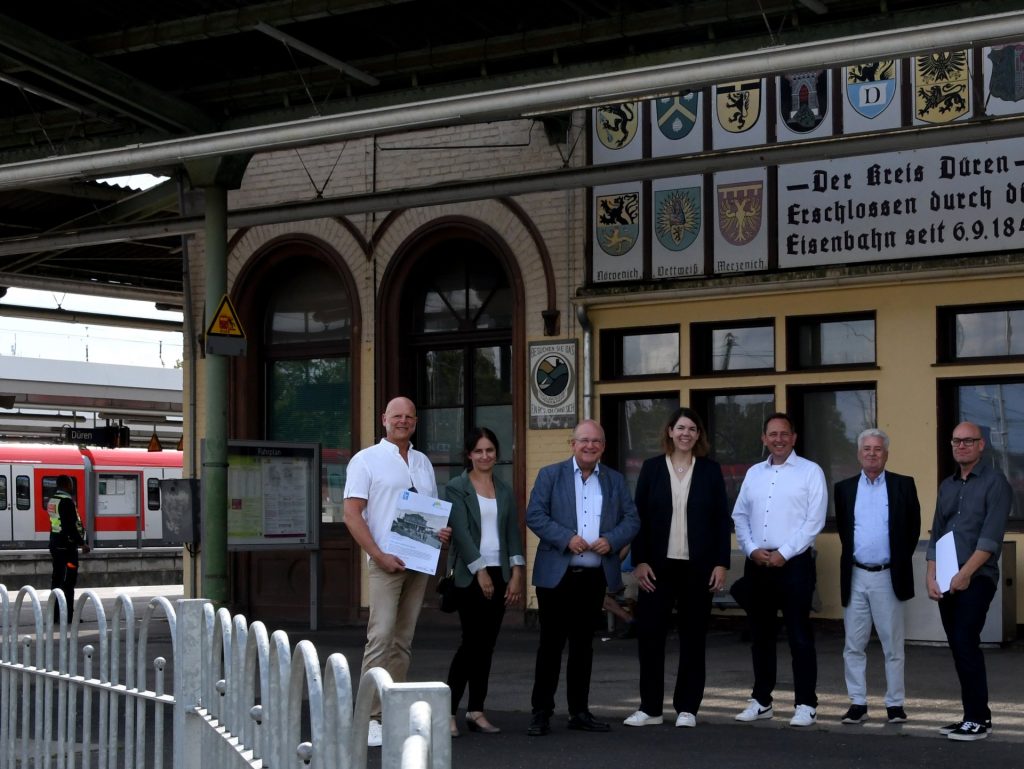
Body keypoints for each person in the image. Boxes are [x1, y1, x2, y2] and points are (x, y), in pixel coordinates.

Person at [343, 396, 451, 747]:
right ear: (384, 420)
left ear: (415, 422)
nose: (403, 421)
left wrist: (441, 533)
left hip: (419, 562)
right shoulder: (366, 460)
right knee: (381, 636)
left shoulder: (422, 462)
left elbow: (427, 512)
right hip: (385, 562)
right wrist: (379, 554)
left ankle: (391, 710)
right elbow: (352, 514)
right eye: (397, 416)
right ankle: (368, 717)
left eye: (409, 416)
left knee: (403, 640)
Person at [526, 419, 640, 737]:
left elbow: (632, 519)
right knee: (550, 647)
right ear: (572, 443)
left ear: (603, 447)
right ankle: (541, 713)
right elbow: (534, 514)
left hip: (593, 577)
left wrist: (612, 540)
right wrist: (566, 538)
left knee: (582, 648)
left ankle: (579, 711)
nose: (590, 446)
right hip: (556, 576)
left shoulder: (615, 481)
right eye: (584, 441)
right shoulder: (551, 475)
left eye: (596, 442)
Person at [622, 407, 730, 729]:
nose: (686, 434)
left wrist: (721, 563)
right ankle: (650, 708)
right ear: (670, 431)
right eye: (681, 428)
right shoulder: (652, 469)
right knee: (650, 636)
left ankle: (687, 708)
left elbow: (721, 521)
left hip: (698, 569)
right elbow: (637, 518)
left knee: (693, 638)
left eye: (692, 429)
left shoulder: (710, 471)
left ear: (698, 436)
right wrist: (639, 561)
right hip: (657, 568)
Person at [731, 412, 826, 728]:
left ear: (794, 437)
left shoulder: (810, 472)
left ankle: (805, 704)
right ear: (764, 438)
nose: (779, 439)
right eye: (772, 434)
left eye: (784, 434)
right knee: (761, 636)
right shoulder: (754, 473)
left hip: (794, 564)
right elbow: (740, 515)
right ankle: (762, 701)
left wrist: (784, 553)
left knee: (799, 636)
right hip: (758, 564)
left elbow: (814, 521)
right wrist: (750, 548)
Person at [926, 422, 1012, 742]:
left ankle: (976, 718)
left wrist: (965, 575)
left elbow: (990, 539)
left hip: (978, 577)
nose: (961, 446)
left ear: (981, 445)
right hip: (948, 577)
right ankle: (975, 717)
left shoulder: (996, 483)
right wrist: (931, 575)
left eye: (968, 441)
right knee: (959, 646)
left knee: (965, 641)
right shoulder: (947, 486)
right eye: (956, 441)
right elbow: (936, 532)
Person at [835, 429, 921, 725]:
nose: (872, 453)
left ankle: (895, 704)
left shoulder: (903, 486)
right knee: (853, 644)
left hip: (888, 576)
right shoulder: (844, 489)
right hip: (856, 575)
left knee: (892, 645)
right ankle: (857, 703)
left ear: (887, 453)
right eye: (867, 449)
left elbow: (911, 530)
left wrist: (893, 562)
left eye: (878, 449)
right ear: (859, 454)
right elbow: (847, 533)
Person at [444, 427, 525, 738]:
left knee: (487, 646)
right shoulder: (456, 488)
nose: (485, 456)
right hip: (471, 576)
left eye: (490, 450)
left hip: (500, 572)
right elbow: (461, 533)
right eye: (478, 451)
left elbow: (512, 533)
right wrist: (480, 570)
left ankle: (476, 710)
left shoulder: (504, 489)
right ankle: (448, 711)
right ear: (469, 455)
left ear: (496, 453)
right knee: (471, 645)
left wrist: (517, 572)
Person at [48, 474, 90, 623]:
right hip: (67, 548)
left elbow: (58, 523)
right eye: (71, 484)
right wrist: (82, 543)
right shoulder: (67, 502)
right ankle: (69, 616)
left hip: (55, 544)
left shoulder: (52, 500)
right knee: (69, 582)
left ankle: (54, 615)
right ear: (66, 485)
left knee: (56, 580)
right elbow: (70, 526)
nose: (72, 486)